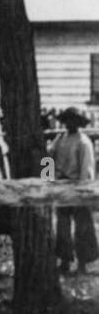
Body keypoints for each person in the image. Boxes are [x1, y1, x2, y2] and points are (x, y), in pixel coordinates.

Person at [48, 107, 97, 273]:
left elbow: (87, 168)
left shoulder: (83, 142)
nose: (70, 124)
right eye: (67, 121)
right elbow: (48, 156)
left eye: (73, 121)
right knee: (62, 225)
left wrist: (83, 189)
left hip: (77, 186)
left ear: (79, 123)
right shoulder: (60, 139)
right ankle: (64, 260)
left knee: (82, 225)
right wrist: (47, 179)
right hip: (62, 186)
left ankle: (83, 261)